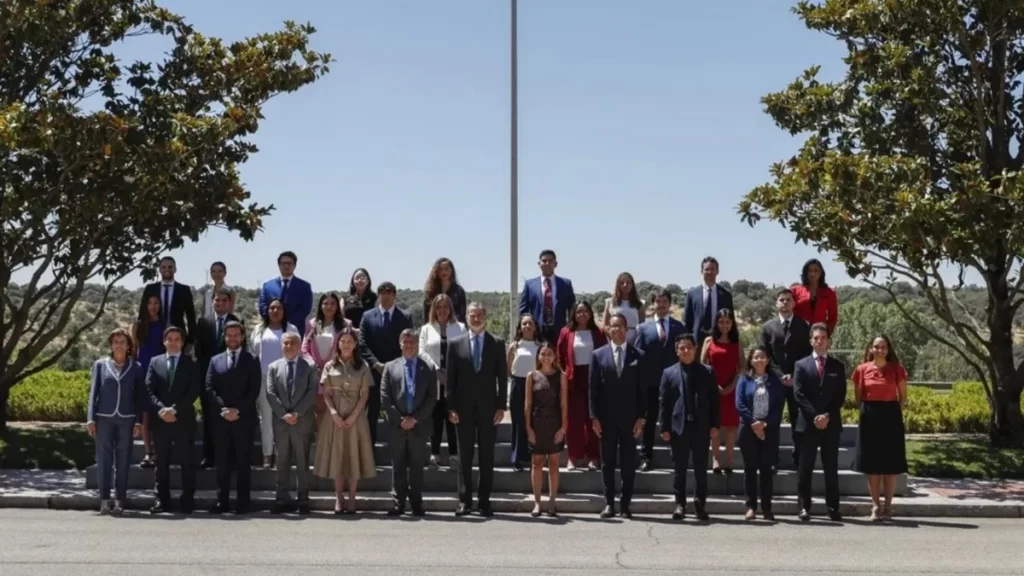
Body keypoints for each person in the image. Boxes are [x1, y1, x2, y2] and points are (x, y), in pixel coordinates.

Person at [447, 302, 508, 517]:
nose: (476, 318)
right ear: (466, 317)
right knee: (465, 456)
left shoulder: (497, 343)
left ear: (486, 316)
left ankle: (484, 501)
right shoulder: (455, 344)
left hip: (488, 409)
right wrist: (451, 407)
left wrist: (501, 406)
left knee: (486, 456)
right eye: (472, 315)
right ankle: (464, 501)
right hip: (462, 410)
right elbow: (450, 380)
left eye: (480, 314)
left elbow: (502, 377)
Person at [589, 313, 646, 519]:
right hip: (606, 419)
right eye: (613, 326)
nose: (617, 330)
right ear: (608, 329)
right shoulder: (598, 355)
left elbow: (643, 391)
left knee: (629, 463)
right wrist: (594, 417)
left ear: (627, 329)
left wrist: (641, 417)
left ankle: (625, 505)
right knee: (608, 463)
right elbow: (593, 389)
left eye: (621, 326)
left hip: (630, 420)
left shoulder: (638, 355)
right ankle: (609, 504)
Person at [315, 328, 376, 514]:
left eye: (350, 341)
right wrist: (333, 413)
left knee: (353, 455)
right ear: (338, 344)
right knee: (338, 456)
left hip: (355, 417)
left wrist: (353, 416)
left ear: (355, 344)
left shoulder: (363, 366)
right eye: (343, 341)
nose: (346, 344)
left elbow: (365, 395)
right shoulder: (329, 366)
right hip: (334, 416)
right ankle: (339, 496)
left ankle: (352, 496)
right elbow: (325, 393)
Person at [660, 334, 719, 521]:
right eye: (682, 348)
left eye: (689, 347)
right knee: (680, 469)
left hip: (701, 427)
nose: (686, 351)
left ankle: (700, 505)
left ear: (695, 348)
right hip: (679, 427)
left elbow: (714, 401)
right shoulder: (668, 373)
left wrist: (715, 424)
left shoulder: (707, 372)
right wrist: (664, 427)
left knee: (701, 469)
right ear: (676, 351)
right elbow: (664, 402)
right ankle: (680, 504)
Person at [86, 328, 145, 515]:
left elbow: (139, 397)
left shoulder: (136, 367)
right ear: (111, 345)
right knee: (104, 459)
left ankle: (120, 500)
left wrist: (138, 421)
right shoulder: (100, 365)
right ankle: (104, 499)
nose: (119, 344)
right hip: (104, 419)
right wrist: (90, 419)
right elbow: (93, 393)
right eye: (116, 341)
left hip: (126, 420)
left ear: (129, 346)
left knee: (123, 460)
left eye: (123, 342)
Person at [205, 320, 261, 514]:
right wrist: (225, 409)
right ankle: (222, 501)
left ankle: (243, 502)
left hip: (244, 419)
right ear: (225, 337)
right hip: (221, 419)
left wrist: (237, 410)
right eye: (229, 335)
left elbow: (254, 389)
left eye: (237, 334)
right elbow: (209, 388)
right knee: (222, 462)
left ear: (242, 337)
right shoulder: (215, 360)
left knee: (244, 462)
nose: (233, 338)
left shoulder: (252, 359)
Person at [794, 323, 847, 522]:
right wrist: (816, 415)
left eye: (823, 338)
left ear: (828, 341)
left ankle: (833, 508)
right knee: (805, 468)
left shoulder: (838, 366)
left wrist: (827, 416)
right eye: (816, 338)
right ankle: (803, 508)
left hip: (831, 425)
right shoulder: (801, 365)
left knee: (830, 468)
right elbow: (798, 394)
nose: (819, 341)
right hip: (808, 425)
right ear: (811, 341)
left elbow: (840, 396)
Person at [381, 329, 437, 517]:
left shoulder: (427, 368)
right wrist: (400, 419)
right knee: (397, 466)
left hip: (418, 426)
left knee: (416, 467)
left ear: (416, 344)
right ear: (400, 344)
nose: (408, 345)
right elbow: (385, 397)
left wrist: (415, 419)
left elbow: (432, 397)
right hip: (397, 426)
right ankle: (398, 504)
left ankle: (416, 503)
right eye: (405, 342)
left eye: (412, 342)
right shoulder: (390, 367)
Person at [852, 335, 908, 521]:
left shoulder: (897, 369)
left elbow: (903, 398)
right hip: (869, 416)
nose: (880, 350)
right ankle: (875, 505)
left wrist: (890, 412)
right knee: (873, 464)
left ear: (888, 349)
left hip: (890, 415)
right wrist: (869, 411)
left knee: (889, 464)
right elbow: (858, 398)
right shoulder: (861, 370)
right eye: (876, 346)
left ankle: (888, 505)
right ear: (870, 349)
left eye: (883, 347)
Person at [145, 326, 200, 514]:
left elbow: (193, 390)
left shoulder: (191, 362)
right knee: (161, 463)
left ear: (182, 343)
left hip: (183, 419)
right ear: (164, 341)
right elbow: (149, 389)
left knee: (187, 462)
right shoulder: (154, 362)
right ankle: (161, 500)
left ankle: (187, 500)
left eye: (177, 339)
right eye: (170, 339)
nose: (174, 342)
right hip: (160, 421)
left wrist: (175, 409)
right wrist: (162, 409)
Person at [759, 288, 812, 470]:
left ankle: (799, 458)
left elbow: (807, 354)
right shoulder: (768, 327)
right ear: (776, 303)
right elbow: (764, 355)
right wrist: (781, 375)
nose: (784, 303)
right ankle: (772, 459)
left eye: (788, 300)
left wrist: (795, 375)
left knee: (798, 422)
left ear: (794, 303)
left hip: (798, 383)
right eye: (781, 300)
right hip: (775, 382)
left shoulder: (804, 326)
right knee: (772, 421)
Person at [265, 332, 318, 515]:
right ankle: (281, 499)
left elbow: (312, 392)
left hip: (301, 421)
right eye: (286, 343)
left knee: (302, 462)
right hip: (281, 423)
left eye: (293, 343)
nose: (289, 346)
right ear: (282, 345)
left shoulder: (310, 367)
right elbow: (270, 393)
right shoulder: (273, 367)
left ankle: (303, 499)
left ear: (299, 345)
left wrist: (297, 413)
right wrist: (284, 414)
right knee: (282, 462)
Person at [633, 288, 686, 471]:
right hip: (650, 383)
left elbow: (684, 354)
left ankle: (677, 455)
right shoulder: (643, 328)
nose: (661, 304)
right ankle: (646, 457)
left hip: (673, 382)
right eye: (658, 301)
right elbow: (638, 355)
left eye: (665, 301)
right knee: (649, 420)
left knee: (674, 418)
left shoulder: (679, 327)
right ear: (653, 304)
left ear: (669, 304)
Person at [359, 281, 413, 445]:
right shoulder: (367, 316)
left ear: (394, 295)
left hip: (397, 371)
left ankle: (398, 448)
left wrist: (392, 365)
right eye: (382, 291)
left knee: (397, 411)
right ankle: (370, 450)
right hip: (374, 371)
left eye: (389, 291)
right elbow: (362, 344)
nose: (385, 294)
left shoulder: (405, 317)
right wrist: (376, 363)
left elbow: (408, 344)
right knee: (372, 411)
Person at [735, 346, 786, 521]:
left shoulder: (775, 381)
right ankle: (750, 507)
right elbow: (740, 404)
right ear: (750, 360)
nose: (759, 360)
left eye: (762, 357)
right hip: (747, 430)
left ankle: (767, 508)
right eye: (756, 357)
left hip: (769, 430)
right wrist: (753, 423)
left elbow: (778, 405)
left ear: (768, 360)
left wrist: (764, 423)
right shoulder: (744, 379)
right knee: (749, 469)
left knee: (766, 470)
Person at [193, 288, 241, 468]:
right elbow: (198, 352)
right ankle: (209, 456)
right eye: (217, 300)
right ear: (212, 302)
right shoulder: (203, 322)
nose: (220, 303)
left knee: (230, 421)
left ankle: (231, 457)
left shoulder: (235, 322)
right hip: (209, 380)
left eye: (223, 300)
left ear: (229, 303)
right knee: (209, 419)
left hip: (230, 381)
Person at [555, 301, 606, 470]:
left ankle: (593, 456)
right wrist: (563, 375)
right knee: (574, 420)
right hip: (574, 380)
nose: (582, 314)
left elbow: (604, 353)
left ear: (590, 313)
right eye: (578, 312)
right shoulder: (566, 332)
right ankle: (573, 456)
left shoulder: (598, 332)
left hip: (594, 378)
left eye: (585, 311)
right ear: (573, 314)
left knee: (593, 418)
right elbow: (560, 356)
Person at [249, 298, 299, 468]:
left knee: (284, 418)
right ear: (267, 310)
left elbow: (297, 354)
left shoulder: (291, 329)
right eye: (272, 308)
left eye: (279, 308)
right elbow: (253, 352)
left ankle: (282, 455)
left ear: (284, 311)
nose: (275, 311)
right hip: (263, 378)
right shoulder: (258, 329)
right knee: (266, 417)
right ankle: (267, 454)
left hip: (285, 379)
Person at [418, 294, 466, 469]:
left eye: (446, 306)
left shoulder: (460, 327)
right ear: (434, 309)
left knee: (452, 418)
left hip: (455, 381)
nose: (442, 310)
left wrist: (451, 374)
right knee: (436, 419)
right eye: (439, 307)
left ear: (450, 309)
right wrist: (436, 370)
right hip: (433, 380)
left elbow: (465, 350)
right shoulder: (426, 329)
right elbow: (421, 351)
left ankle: (454, 455)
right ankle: (434, 455)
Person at [525, 342, 568, 518]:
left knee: (554, 464)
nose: (546, 357)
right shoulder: (531, 375)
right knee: (536, 463)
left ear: (555, 356)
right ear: (538, 356)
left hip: (555, 422)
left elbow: (564, 403)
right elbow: (527, 404)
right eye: (543, 353)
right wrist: (528, 427)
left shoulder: (561, 375)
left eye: (550, 353)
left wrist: (564, 427)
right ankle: (537, 502)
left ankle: (552, 501)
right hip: (537, 422)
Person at [700, 308, 743, 475]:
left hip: (732, 389)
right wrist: (713, 384)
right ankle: (716, 459)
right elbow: (703, 364)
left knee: (732, 427)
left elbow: (743, 366)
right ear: (716, 323)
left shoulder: (737, 343)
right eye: (721, 322)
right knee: (715, 425)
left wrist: (733, 384)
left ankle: (729, 460)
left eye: (727, 322)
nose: (724, 325)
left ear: (732, 323)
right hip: (713, 389)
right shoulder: (709, 341)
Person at [301, 292, 352, 425]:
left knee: (336, 410)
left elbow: (348, 348)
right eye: (325, 303)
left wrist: (333, 364)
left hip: (337, 373)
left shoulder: (345, 324)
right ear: (320, 306)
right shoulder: (313, 324)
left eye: (332, 303)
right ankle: (320, 443)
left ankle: (333, 444)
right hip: (317, 373)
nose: (329, 306)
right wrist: (312, 364)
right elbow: (304, 348)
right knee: (320, 410)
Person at [134, 294, 165, 469]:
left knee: (157, 414)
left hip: (159, 372)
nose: (153, 306)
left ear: (160, 306)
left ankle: (159, 451)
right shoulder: (138, 325)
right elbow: (135, 350)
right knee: (145, 415)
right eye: (150, 303)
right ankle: (148, 451)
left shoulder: (164, 326)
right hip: (143, 370)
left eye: (156, 303)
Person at [519, 249, 577, 345]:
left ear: (555, 264)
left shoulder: (565, 284)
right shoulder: (530, 285)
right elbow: (523, 310)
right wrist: (526, 329)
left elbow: (572, 308)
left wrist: (570, 328)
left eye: (550, 261)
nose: (547, 263)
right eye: (544, 261)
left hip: (560, 331)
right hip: (537, 331)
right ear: (539, 263)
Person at [507, 314, 540, 472]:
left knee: (534, 422)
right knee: (518, 422)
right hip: (518, 385)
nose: (527, 326)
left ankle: (533, 456)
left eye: (530, 323)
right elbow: (509, 368)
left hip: (535, 384)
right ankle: (517, 458)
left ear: (535, 327)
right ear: (520, 327)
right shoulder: (514, 346)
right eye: (524, 323)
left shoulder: (540, 346)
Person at [138, 256, 196, 345]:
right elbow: (143, 312)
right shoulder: (150, 289)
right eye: (163, 267)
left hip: (177, 336)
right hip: (153, 335)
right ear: (160, 269)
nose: (167, 269)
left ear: (175, 269)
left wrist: (191, 340)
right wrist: (140, 335)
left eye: (170, 267)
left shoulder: (184, 290)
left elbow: (190, 316)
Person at [258, 250, 314, 338]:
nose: (286, 266)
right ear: (279, 265)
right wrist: (276, 322)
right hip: (272, 331)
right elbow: (263, 307)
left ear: (294, 265)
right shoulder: (268, 286)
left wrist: (286, 323)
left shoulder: (304, 287)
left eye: (289, 263)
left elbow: (305, 309)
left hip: (295, 332)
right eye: (283, 263)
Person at [684, 256, 734, 343]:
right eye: (707, 269)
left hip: (720, 340)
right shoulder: (692, 294)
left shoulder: (726, 295)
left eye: (712, 269)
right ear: (701, 271)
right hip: (697, 342)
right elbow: (687, 321)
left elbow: (731, 320)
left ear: (717, 271)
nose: (709, 272)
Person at [791, 258, 839, 336]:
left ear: (821, 273)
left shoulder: (830, 292)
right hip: (798, 334)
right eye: (809, 270)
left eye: (816, 270)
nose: (812, 273)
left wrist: (826, 335)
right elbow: (790, 313)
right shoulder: (795, 291)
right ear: (805, 273)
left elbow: (833, 318)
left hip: (819, 335)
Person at [602, 272, 645, 342]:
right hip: (615, 340)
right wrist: (613, 337)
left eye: (628, 283)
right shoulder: (610, 302)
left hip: (634, 342)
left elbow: (642, 325)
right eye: (622, 283)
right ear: (618, 285)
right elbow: (605, 325)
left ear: (632, 285)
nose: (625, 285)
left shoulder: (639, 304)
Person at [422, 257, 468, 323]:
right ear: (437, 271)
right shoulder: (430, 291)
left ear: (451, 270)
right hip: (434, 328)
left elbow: (462, 315)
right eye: (441, 269)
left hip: (454, 328)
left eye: (447, 268)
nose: (444, 272)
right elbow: (426, 315)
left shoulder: (458, 291)